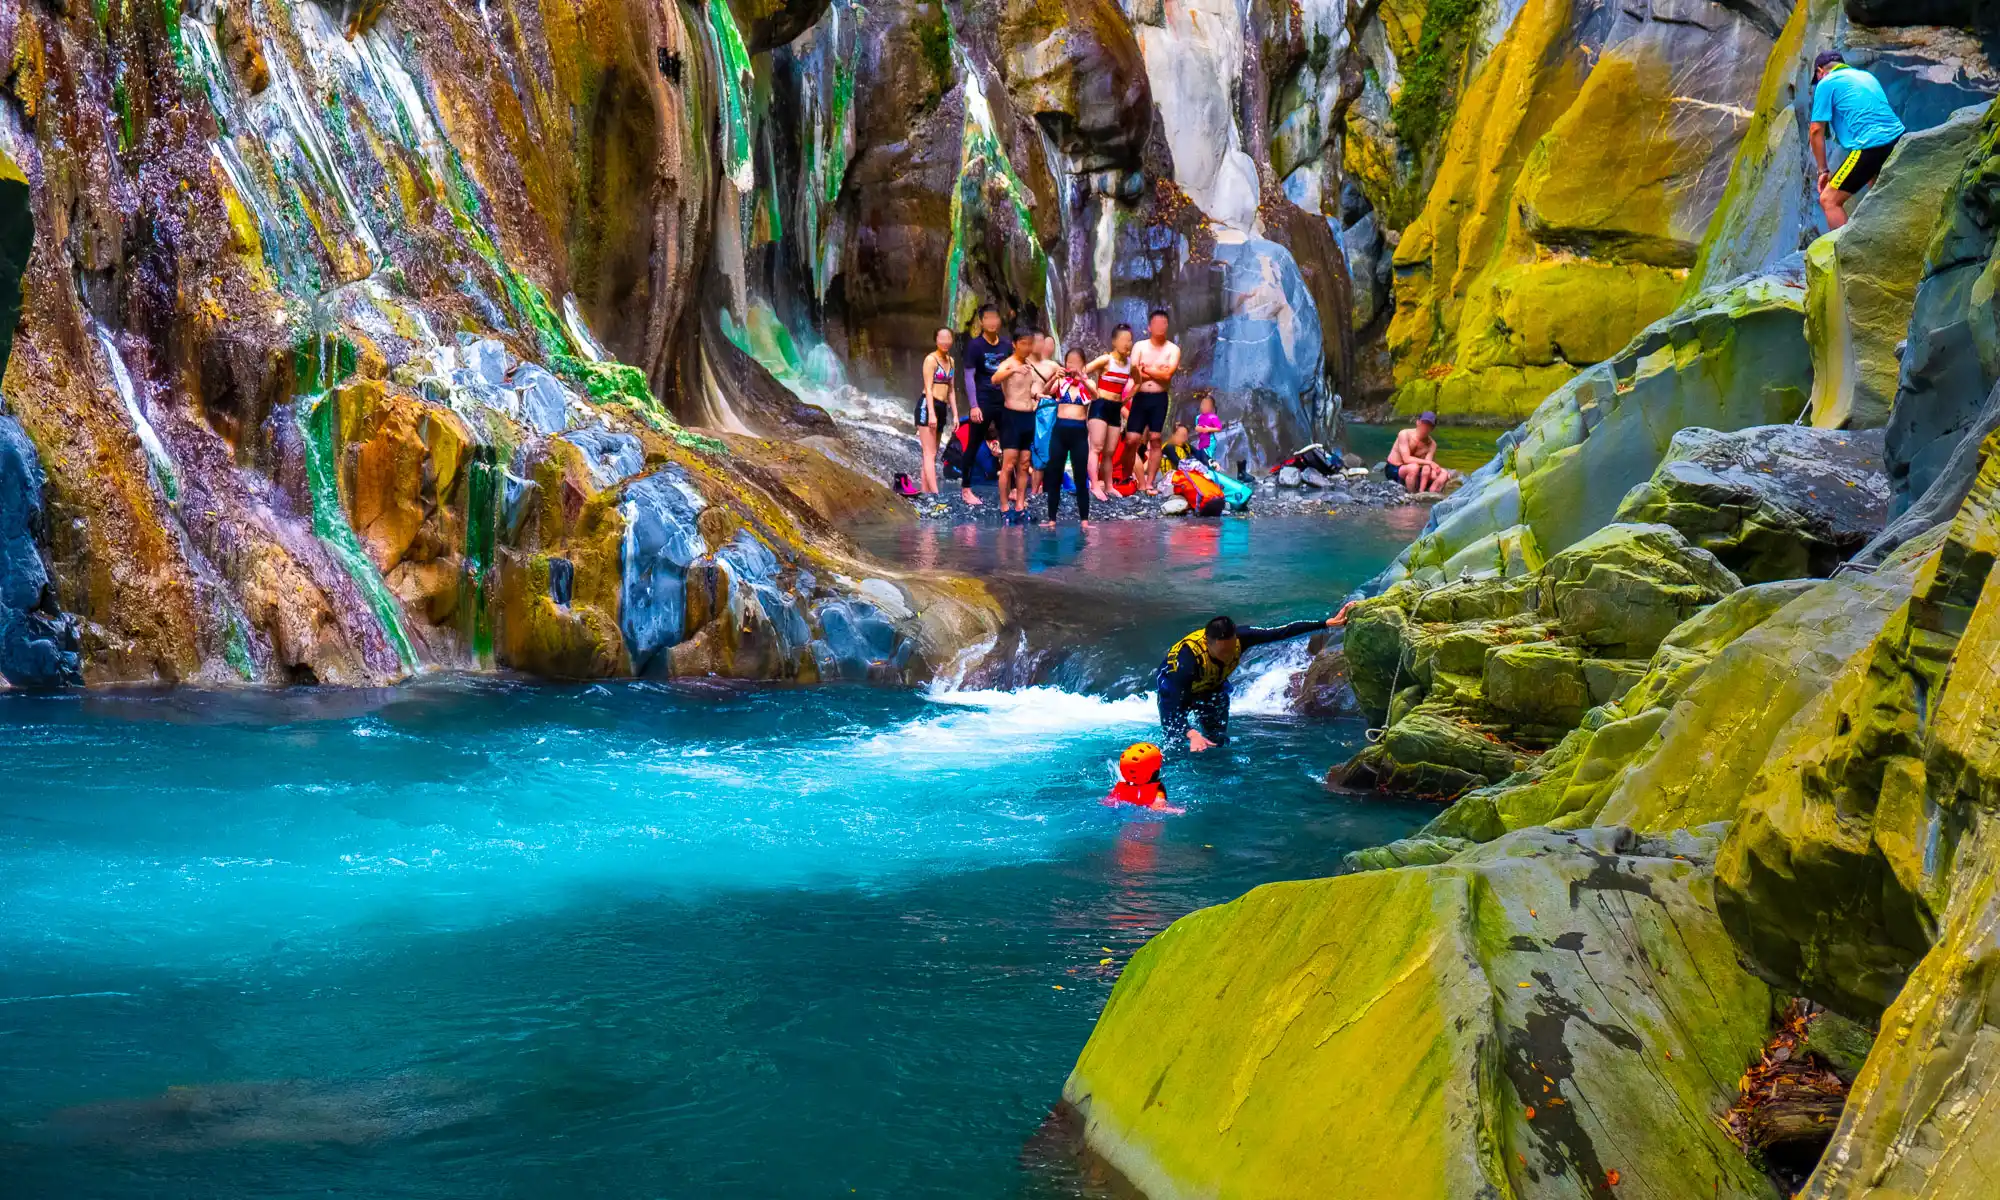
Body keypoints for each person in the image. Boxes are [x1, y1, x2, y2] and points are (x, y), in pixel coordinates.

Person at [1157, 605, 1355, 752]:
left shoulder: (1242, 637)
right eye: (1222, 651)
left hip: (1212, 687)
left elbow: (1281, 631)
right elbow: (1170, 707)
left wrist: (1325, 623)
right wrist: (1191, 734)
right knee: (1176, 739)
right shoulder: (1186, 661)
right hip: (1177, 691)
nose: (1229, 654)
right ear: (1208, 644)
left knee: (1217, 739)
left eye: (1231, 647)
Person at [1810, 50, 1905, 231]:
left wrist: (1823, 170)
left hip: (1871, 145)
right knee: (1878, 189)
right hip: (1898, 138)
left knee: (1828, 200)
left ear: (1820, 71)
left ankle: (1845, 256)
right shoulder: (1865, 76)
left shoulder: (1826, 83)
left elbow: (1815, 130)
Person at [988, 328, 1043, 524]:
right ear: (1014, 344)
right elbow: (994, 379)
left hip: (1028, 417)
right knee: (1009, 463)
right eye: (1023, 343)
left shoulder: (1029, 364)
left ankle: (1020, 505)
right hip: (1011, 417)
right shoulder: (1008, 364)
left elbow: (1029, 388)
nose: (1028, 347)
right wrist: (1013, 370)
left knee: (1024, 464)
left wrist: (1037, 395)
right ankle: (1004, 507)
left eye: (1030, 343)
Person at [961, 305, 1011, 506]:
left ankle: (1013, 488)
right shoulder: (975, 346)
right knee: (973, 444)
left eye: (995, 318)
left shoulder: (1006, 346)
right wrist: (973, 405)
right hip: (982, 401)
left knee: (1009, 443)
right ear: (981, 322)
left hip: (1003, 401)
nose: (992, 322)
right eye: (988, 318)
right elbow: (969, 376)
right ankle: (966, 489)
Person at [1126, 309, 1181, 493]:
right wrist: (1156, 370)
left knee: (1155, 438)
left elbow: (1167, 376)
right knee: (1131, 439)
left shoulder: (1173, 349)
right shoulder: (1140, 346)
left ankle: (1149, 482)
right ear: (1149, 327)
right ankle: (1133, 477)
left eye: (1162, 323)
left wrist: (1147, 370)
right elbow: (1134, 372)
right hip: (1140, 396)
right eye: (1155, 323)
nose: (1159, 326)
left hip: (1159, 398)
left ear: (1166, 326)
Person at [1083, 324, 1137, 502]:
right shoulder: (1106, 360)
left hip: (1115, 408)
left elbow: (1138, 381)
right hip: (1100, 405)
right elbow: (1083, 372)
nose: (1127, 344)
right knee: (1096, 447)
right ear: (1114, 341)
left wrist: (1127, 398)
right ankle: (1094, 485)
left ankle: (1109, 486)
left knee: (1110, 451)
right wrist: (1092, 390)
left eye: (1130, 340)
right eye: (1124, 340)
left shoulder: (1130, 365)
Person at [1042, 349, 1094, 527]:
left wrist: (1083, 379)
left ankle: (1084, 520)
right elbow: (1044, 391)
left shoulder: (1087, 383)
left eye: (1076, 361)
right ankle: (1051, 519)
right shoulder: (1061, 382)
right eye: (1069, 361)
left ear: (1083, 364)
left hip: (1079, 433)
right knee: (1054, 474)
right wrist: (1053, 377)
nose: (1072, 365)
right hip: (1060, 431)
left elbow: (1097, 395)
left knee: (1080, 476)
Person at [915, 328, 958, 496]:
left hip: (942, 407)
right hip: (928, 405)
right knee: (929, 452)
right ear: (936, 340)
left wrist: (955, 414)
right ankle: (936, 494)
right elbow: (928, 387)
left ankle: (925, 493)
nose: (945, 341)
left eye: (948, 338)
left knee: (932, 453)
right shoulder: (930, 360)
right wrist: (931, 413)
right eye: (942, 338)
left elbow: (951, 390)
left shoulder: (951, 361)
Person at [1386, 411, 1449, 493]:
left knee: (1444, 473)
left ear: (1432, 428)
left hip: (1415, 470)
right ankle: (1411, 496)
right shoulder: (1404, 434)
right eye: (1424, 423)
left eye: (1429, 425)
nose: (1425, 427)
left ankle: (1429, 494)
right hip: (1394, 469)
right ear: (1418, 422)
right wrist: (1430, 463)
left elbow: (1426, 467)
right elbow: (1406, 459)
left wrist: (1421, 490)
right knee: (1414, 467)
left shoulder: (1432, 444)